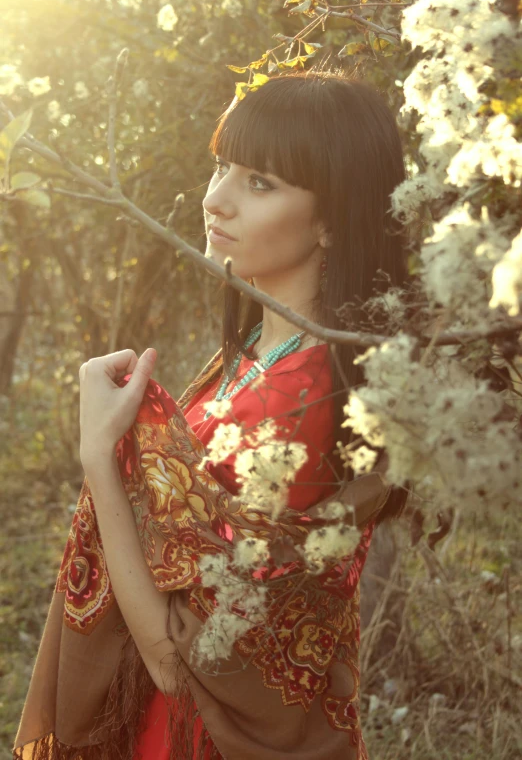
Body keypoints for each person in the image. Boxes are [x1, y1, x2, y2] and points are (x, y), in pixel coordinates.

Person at [13, 68, 409, 760]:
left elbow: (181, 658)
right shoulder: (267, 351)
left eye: (261, 182)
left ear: (334, 221)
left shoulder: (300, 400)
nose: (216, 199)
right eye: (222, 166)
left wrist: (100, 457)